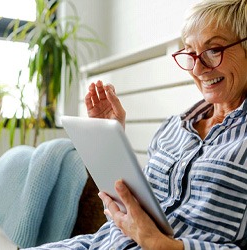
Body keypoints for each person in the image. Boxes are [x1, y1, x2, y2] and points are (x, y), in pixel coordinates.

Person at [24, 0, 247, 249]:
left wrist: (156, 243)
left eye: (213, 50)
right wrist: (110, 141)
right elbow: (130, 211)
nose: (197, 68)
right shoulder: (172, 128)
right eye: (190, 53)